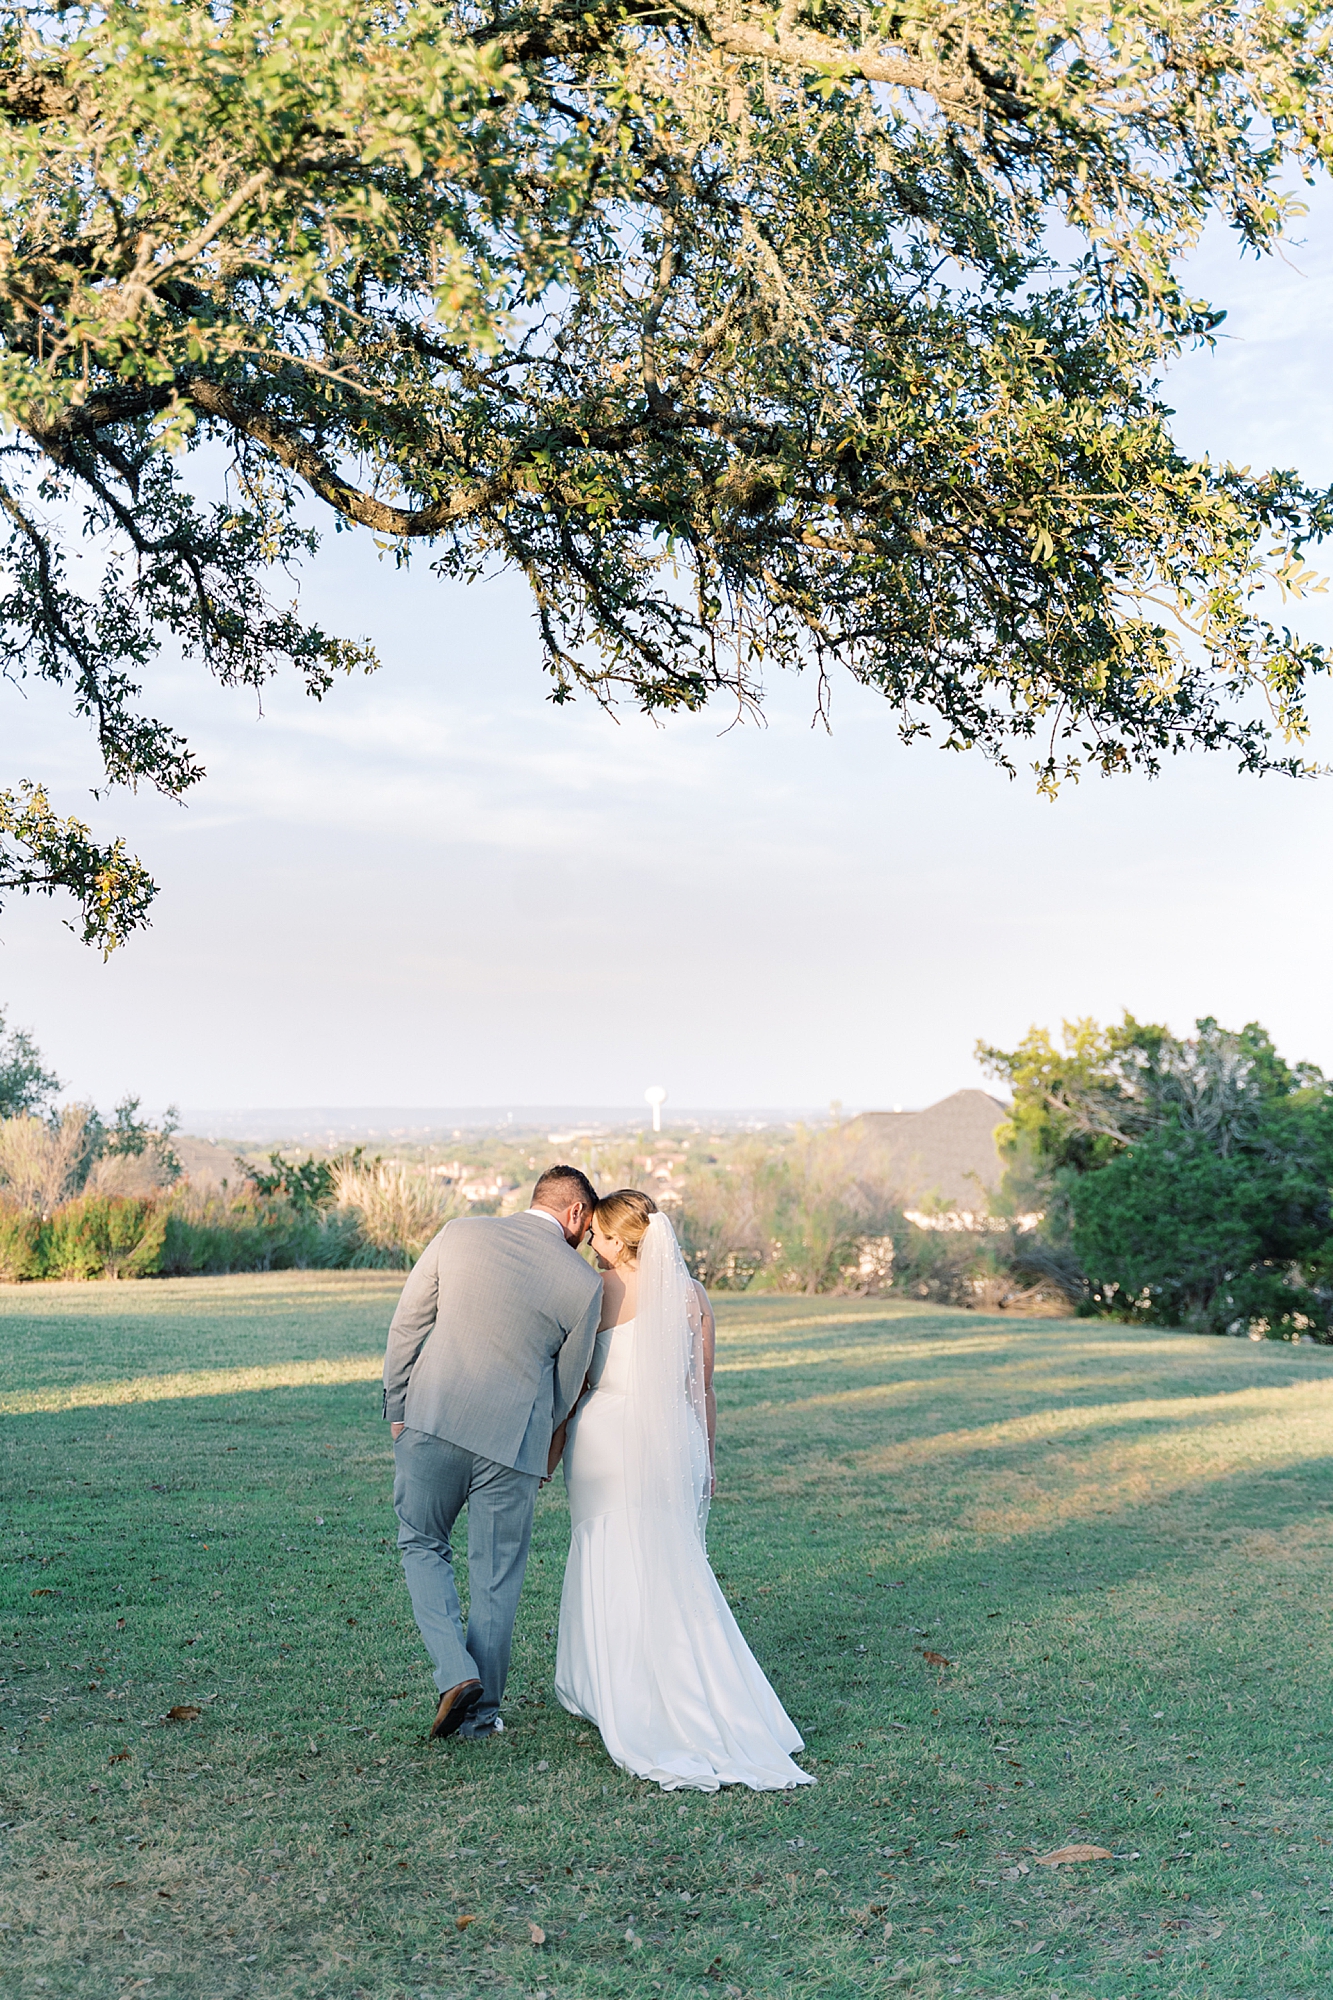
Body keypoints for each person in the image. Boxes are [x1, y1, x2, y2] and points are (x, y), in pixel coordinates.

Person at [551, 1188, 814, 1792]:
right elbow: (704, 1388)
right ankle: (701, 1693)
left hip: (604, 1439)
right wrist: (707, 1458)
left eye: (598, 1234)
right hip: (674, 1440)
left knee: (607, 1553)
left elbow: (571, 1377)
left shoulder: (596, 1292)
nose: (590, 1241)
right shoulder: (692, 1296)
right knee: (670, 1562)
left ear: (621, 1241)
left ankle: (617, 1689)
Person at [382, 1164, 602, 1741]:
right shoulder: (584, 1285)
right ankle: (479, 1716)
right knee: (497, 1578)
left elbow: (407, 1324)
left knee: (422, 1543)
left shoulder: (459, 1233)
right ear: (576, 1214)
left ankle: (455, 1673)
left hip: (432, 1418)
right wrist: (539, 1448)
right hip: (513, 1446)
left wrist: (397, 1406)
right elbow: (568, 1383)